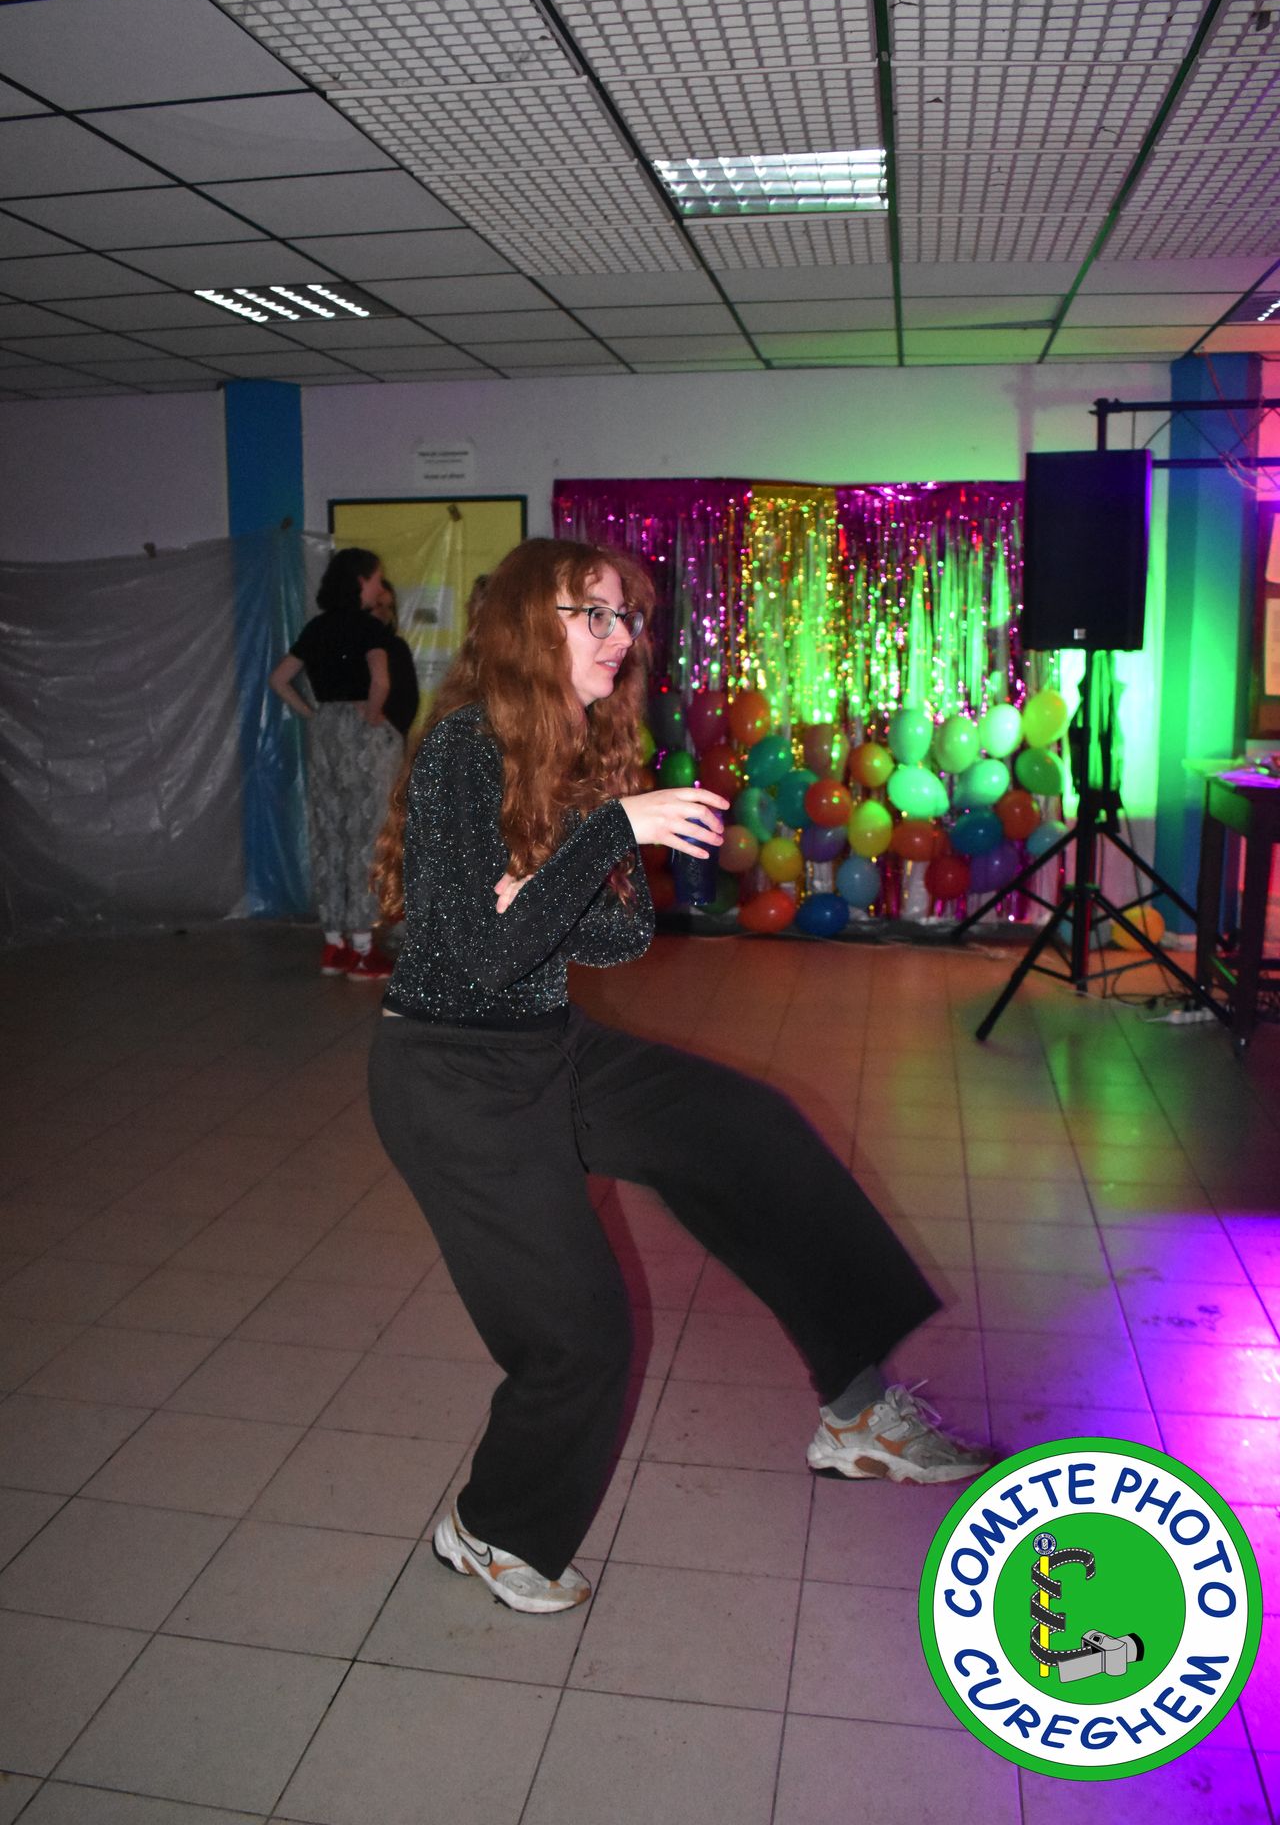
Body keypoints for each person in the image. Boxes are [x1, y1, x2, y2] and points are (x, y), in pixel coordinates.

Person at [367, 536, 985, 1616]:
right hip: (453, 1077)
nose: (620, 637)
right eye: (593, 615)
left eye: (628, 617)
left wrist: (574, 853)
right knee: (581, 1335)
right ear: (529, 626)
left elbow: (612, 939)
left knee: (752, 1137)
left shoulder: (569, 750)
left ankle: (856, 1414)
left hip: (548, 1043)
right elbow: (481, 957)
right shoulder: (465, 748)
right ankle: (491, 1528)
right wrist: (606, 831)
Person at [268, 546, 401, 981]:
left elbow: (279, 679)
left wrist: (312, 713)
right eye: (376, 578)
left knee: (329, 832)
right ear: (361, 581)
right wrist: (372, 714)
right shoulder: (369, 628)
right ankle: (363, 949)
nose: (379, 587)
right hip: (361, 737)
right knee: (365, 834)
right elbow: (380, 681)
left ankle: (333, 944)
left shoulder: (317, 627)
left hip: (325, 733)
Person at [370, 579, 421, 742]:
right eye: (378, 605)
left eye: (389, 607)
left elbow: (409, 700)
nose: (384, 613)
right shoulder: (348, 645)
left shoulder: (397, 647)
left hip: (390, 738)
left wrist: (390, 730)